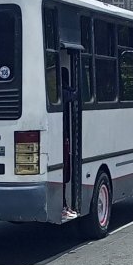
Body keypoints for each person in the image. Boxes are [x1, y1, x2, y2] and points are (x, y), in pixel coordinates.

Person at [61, 67, 78, 220]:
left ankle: (64, 205)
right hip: (63, 137)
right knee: (64, 173)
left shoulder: (55, 91)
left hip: (61, 137)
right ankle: (63, 206)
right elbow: (75, 95)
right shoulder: (64, 93)